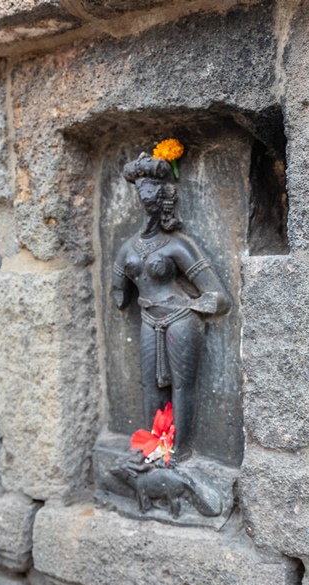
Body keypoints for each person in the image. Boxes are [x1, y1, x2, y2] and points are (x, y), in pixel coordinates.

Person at [111, 153, 231, 460]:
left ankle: (179, 450)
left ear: (164, 196)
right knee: (150, 386)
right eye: (142, 189)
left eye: (152, 188)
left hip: (180, 318)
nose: (145, 194)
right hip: (149, 318)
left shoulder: (178, 244)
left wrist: (194, 306)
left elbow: (217, 295)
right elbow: (119, 295)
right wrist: (121, 279)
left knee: (181, 387)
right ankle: (154, 445)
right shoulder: (128, 248)